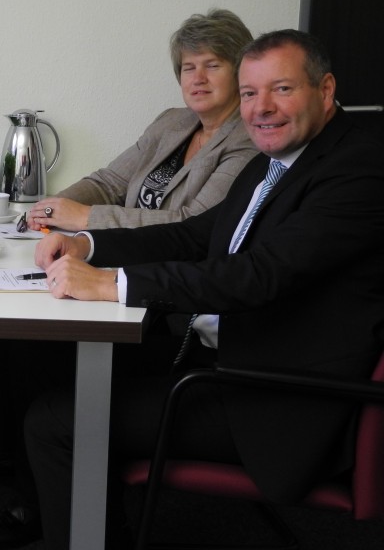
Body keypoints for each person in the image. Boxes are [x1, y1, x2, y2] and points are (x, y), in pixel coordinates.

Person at [24, 29, 384, 548]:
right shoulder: (277, 158)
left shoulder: (359, 168)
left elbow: (259, 275)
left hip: (278, 395)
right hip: (230, 354)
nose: (261, 108)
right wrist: (89, 245)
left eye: (281, 89)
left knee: (55, 420)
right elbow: (196, 235)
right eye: (250, 93)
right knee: (49, 367)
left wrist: (112, 284)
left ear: (325, 91)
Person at [0, 10, 258, 549]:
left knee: (34, 354)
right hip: (114, 270)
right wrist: (58, 205)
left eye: (214, 65)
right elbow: (111, 179)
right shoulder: (173, 122)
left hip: (167, 306)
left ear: (242, 72)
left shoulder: (249, 142)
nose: (198, 79)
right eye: (188, 67)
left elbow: (193, 227)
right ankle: (8, 456)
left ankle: (36, 502)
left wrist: (87, 221)